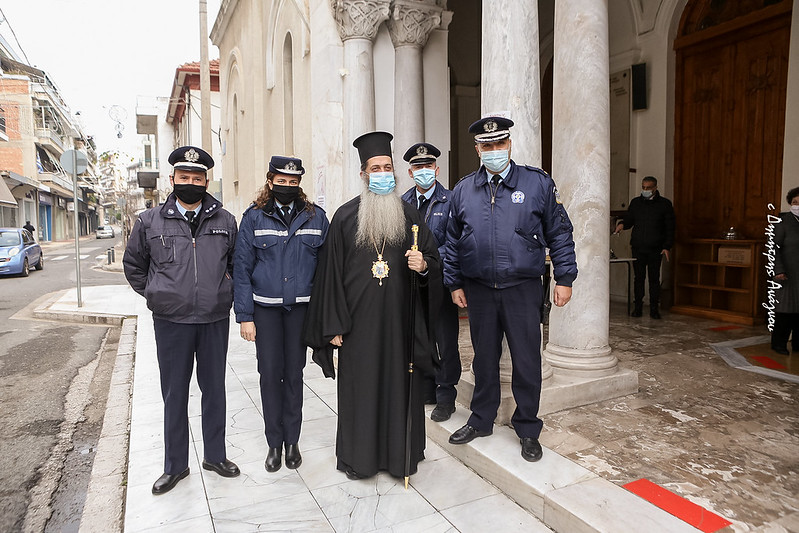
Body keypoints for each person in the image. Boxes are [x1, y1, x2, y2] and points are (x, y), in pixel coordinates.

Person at [303, 131, 441, 480]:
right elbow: (330, 275)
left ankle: (400, 458)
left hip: (399, 324)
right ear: (363, 174)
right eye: (375, 169)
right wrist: (333, 324)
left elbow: (433, 260)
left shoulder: (410, 216)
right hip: (358, 326)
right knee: (361, 392)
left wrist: (423, 266)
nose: (382, 174)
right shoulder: (345, 217)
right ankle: (359, 459)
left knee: (399, 389)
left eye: (387, 168)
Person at [444, 116, 577, 463]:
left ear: (509, 145)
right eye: (486, 146)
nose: (493, 150)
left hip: (522, 288)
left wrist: (564, 277)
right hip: (479, 289)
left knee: (527, 360)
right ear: (477, 150)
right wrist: (454, 282)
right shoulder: (463, 190)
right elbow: (452, 241)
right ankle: (481, 419)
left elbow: (560, 233)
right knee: (484, 358)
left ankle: (528, 428)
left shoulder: (537, 183)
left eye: (499, 144)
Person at [123, 146, 240, 495]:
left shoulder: (225, 221)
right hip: (171, 322)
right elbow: (134, 265)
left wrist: (224, 291)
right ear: (172, 179)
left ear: (207, 181)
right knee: (174, 394)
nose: (191, 182)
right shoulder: (149, 221)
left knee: (214, 390)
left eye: (197, 178)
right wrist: (157, 293)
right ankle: (175, 466)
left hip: (213, 319)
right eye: (184, 176)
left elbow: (236, 265)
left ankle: (215, 456)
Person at [233, 156, 329, 472]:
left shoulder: (316, 217)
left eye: (293, 181)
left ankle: (292, 442)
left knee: (295, 375)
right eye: (281, 181)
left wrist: (324, 315)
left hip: (301, 310)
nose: (287, 186)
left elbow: (326, 270)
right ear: (270, 181)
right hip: (266, 311)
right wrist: (245, 316)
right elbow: (241, 269)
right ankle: (274, 443)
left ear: (299, 183)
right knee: (270, 375)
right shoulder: (254, 217)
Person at [400, 142, 461, 422]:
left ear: (436, 169)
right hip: (412, 285)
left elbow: (457, 241)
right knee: (419, 338)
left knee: (445, 341)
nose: (423, 170)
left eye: (428, 165)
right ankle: (426, 389)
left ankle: (446, 395)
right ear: (410, 172)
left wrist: (429, 261)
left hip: (441, 282)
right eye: (418, 167)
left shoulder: (451, 201)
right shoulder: (402, 203)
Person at [614, 176, 675, 319]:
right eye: (643, 187)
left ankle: (654, 308)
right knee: (639, 278)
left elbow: (670, 228)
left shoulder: (664, 204)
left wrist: (667, 246)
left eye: (648, 188)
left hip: (656, 248)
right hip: (638, 247)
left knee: (654, 279)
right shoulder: (636, 203)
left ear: (655, 188)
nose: (645, 190)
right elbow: (630, 219)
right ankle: (638, 307)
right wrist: (622, 224)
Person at [771, 186, 799, 355]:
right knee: (785, 311)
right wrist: (778, 270)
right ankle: (778, 344)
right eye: (795, 202)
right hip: (786, 274)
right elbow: (773, 248)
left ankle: (797, 344)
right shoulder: (782, 222)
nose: (798, 205)